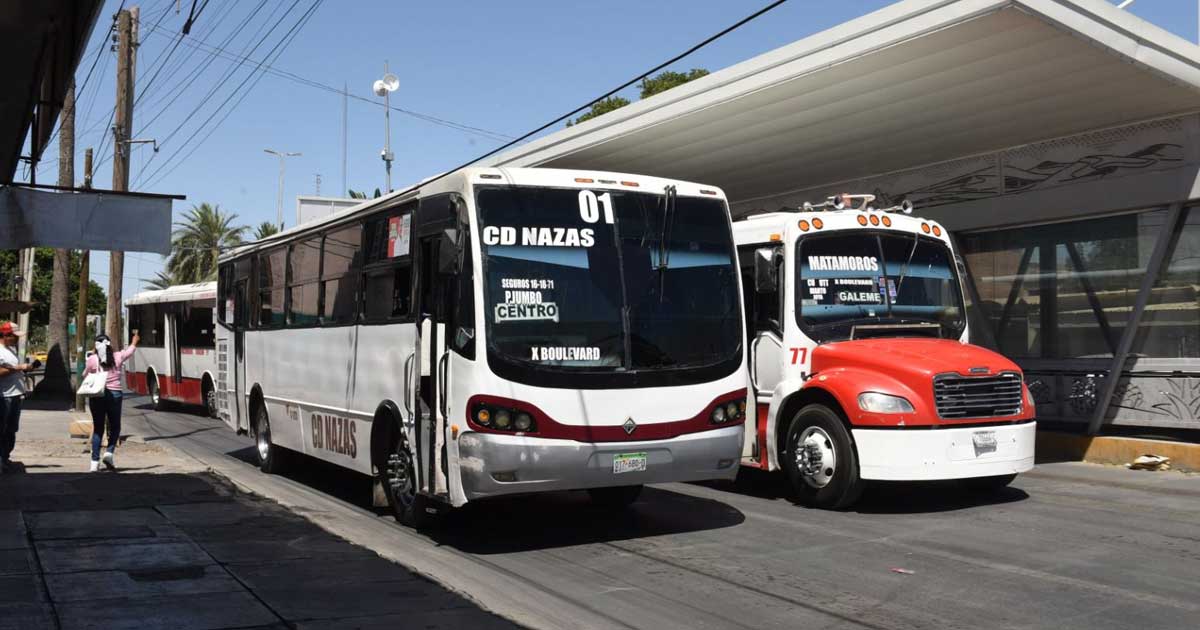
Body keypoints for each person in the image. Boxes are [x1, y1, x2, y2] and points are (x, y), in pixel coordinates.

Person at [83, 332, 138, 472]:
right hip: (115, 394)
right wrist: (134, 341)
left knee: (98, 429)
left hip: (97, 396)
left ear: (95, 347)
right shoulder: (118, 356)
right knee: (115, 427)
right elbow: (129, 352)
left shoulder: (92, 359)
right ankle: (109, 453)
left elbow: (85, 374)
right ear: (109, 345)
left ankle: (94, 463)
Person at [0, 322, 33, 473]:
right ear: (6, 336)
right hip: (4, 395)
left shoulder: (11, 349)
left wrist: (23, 369)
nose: (16, 340)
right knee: (2, 429)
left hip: (16, 395)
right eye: (14, 337)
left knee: (11, 429)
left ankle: (5, 457)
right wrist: (18, 368)